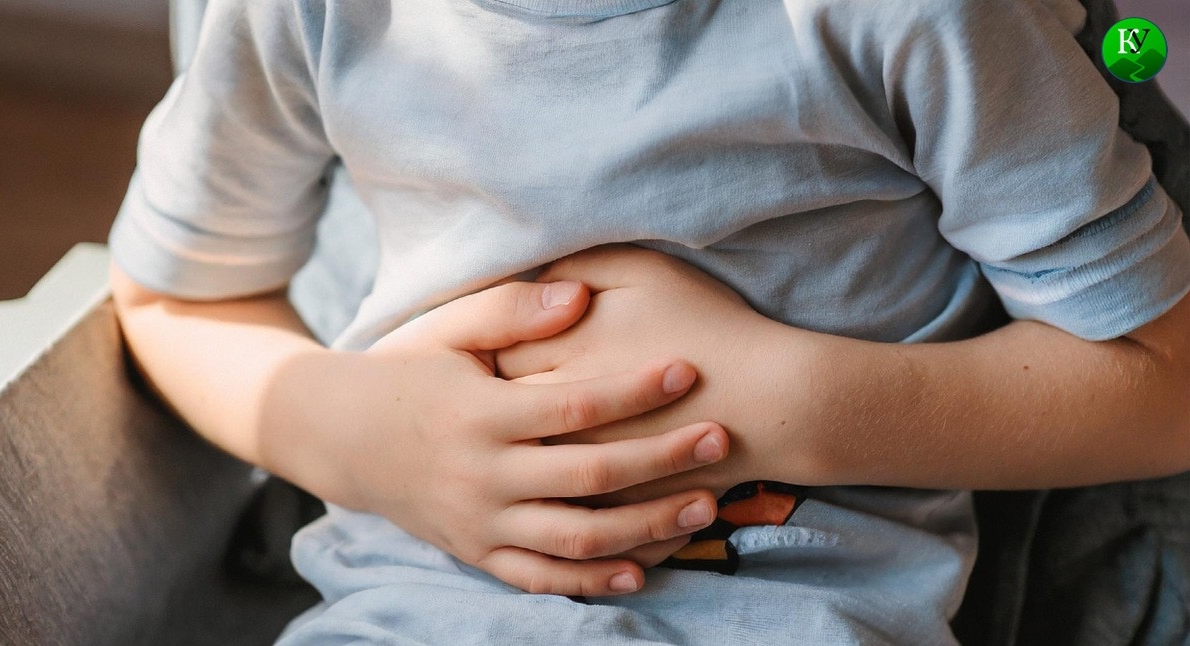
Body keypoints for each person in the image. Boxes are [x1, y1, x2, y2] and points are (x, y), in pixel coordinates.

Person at [108, 0, 1190, 642]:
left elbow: (1164, 384)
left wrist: (779, 403)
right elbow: (172, 296)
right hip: (404, 611)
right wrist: (360, 438)